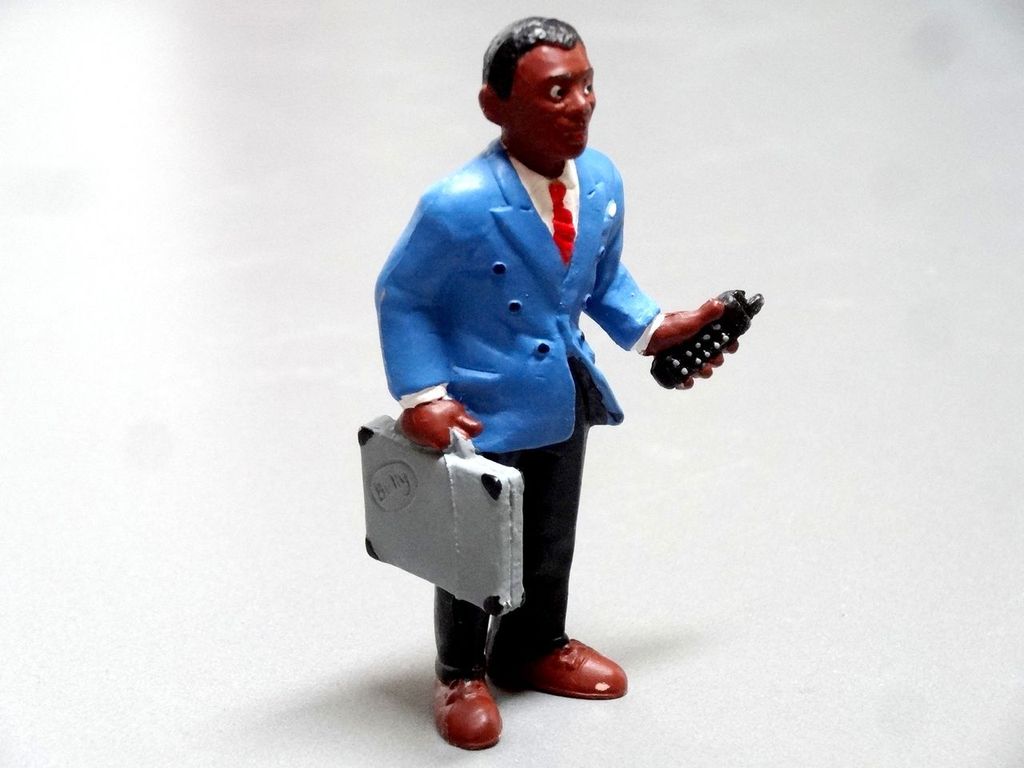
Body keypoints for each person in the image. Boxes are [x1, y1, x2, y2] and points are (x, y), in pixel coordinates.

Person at [375, 17, 736, 750]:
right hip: (480, 411)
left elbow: (601, 279)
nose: (581, 105)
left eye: (587, 85)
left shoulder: (600, 181)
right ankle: (460, 670)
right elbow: (402, 296)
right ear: (496, 105)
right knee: (474, 545)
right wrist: (423, 397)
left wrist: (656, 329)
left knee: (548, 536)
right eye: (557, 91)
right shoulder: (458, 203)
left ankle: (533, 642)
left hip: (562, 397)